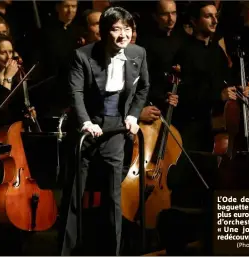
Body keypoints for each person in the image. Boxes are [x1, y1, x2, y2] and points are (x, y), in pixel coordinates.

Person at [60, 6, 150, 256]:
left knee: (113, 197)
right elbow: (75, 93)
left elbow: (144, 87)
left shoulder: (138, 53)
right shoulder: (82, 55)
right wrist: (86, 122)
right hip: (87, 127)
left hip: (117, 127)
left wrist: (131, 115)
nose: (124, 35)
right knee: (74, 197)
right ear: (103, 32)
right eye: (117, 29)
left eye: (128, 29)